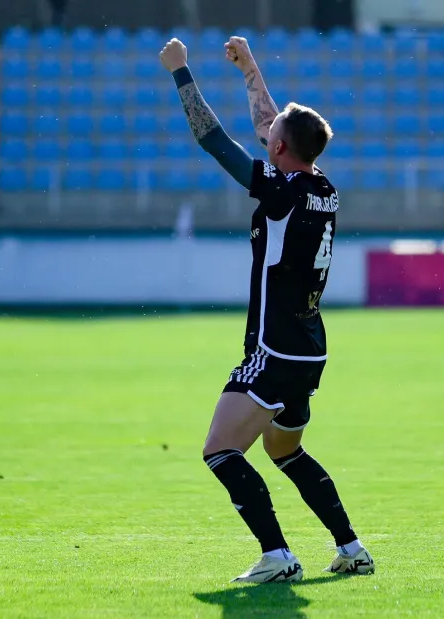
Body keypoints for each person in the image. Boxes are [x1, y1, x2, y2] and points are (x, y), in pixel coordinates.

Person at [159, 36, 375, 583]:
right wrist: (250, 69)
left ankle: (277, 556)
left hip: (273, 346)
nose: (266, 132)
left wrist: (181, 72)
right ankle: (351, 548)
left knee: (220, 450)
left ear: (279, 148)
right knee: (285, 452)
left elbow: (213, 139)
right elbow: (274, 128)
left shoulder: (280, 191)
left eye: (272, 135)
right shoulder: (320, 186)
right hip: (309, 347)